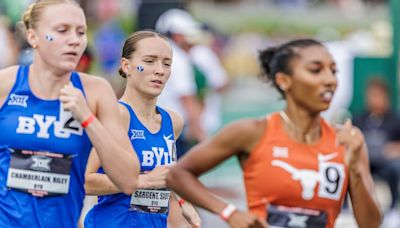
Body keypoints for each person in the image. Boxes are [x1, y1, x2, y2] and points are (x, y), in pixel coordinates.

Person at [167, 39, 382, 228]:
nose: (330, 80)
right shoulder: (253, 132)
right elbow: (177, 174)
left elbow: (371, 224)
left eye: (333, 71)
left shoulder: (348, 140)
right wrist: (229, 212)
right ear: (283, 81)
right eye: (316, 70)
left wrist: (355, 171)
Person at [0, 1, 140, 227]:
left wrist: (87, 119)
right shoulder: (6, 84)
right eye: (62, 30)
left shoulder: (96, 91)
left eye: (81, 32)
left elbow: (129, 180)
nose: (75, 40)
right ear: (33, 37)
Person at [84, 30, 201, 228]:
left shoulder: (173, 122)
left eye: (166, 63)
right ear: (126, 65)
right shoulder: (116, 116)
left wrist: (184, 202)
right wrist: (143, 181)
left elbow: (164, 174)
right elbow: (85, 181)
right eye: (149, 61)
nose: (160, 70)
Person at [155, 8, 206, 158]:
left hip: (155, 125)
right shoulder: (177, 58)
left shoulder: (156, 55)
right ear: (177, 35)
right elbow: (186, 98)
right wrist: (200, 133)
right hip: (173, 129)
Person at [353, 78, 400, 211]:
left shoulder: (395, 120)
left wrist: (395, 149)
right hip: (364, 163)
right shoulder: (358, 119)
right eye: (372, 95)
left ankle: (393, 207)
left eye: (379, 95)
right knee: (346, 167)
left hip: (385, 163)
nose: (375, 99)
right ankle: (345, 206)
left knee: (396, 168)